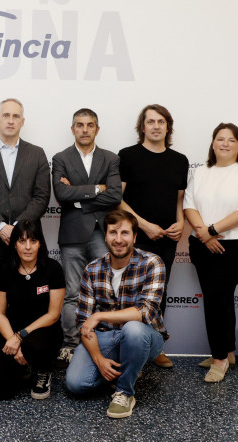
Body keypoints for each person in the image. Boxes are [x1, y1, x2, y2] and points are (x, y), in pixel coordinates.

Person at [0, 98, 50, 372]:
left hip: (26, 239)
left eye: (16, 116)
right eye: (5, 115)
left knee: (29, 294)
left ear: (22, 121)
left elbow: (42, 196)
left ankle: (26, 344)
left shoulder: (37, 153)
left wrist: (17, 229)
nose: (10, 120)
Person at [63, 210, 167, 418]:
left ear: (135, 237)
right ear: (105, 236)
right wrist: (99, 359)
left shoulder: (152, 263)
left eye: (125, 233)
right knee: (75, 384)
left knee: (133, 329)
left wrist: (100, 316)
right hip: (105, 337)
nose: (118, 240)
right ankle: (126, 367)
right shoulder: (92, 269)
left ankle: (124, 391)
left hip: (145, 335)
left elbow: (145, 312)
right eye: (113, 233)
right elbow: (85, 322)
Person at [184, 123, 238, 383]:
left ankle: (219, 359)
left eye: (231, 139)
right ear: (213, 143)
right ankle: (227, 352)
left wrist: (211, 230)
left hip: (237, 246)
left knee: (217, 295)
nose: (225, 143)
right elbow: (189, 205)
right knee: (216, 297)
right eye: (220, 139)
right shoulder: (202, 172)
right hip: (201, 244)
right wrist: (204, 234)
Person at [117, 104, 188, 369]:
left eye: (161, 122)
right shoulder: (127, 156)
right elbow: (118, 200)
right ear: (142, 127)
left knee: (159, 294)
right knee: (130, 294)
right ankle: (129, 347)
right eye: (150, 122)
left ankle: (155, 346)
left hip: (167, 240)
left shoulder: (179, 160)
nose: (156, 126)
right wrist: (144, 225)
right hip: (135, 238)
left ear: (167, 126)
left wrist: (181, 223)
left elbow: (179, 201)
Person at [51, 108, 122, 369]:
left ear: (96, 129)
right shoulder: (60, 158)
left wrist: (78, 198)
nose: (84, 129)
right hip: (71, 236)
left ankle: (105, 341)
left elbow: (114, 196)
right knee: (71, 294)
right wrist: (95, 189)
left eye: (89, 125)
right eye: (79, 125)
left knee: (106, 292)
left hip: (102, 234)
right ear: (72, 129)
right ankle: (70, 345)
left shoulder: (110, 158)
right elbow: (60, 193)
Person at [0, 220, 63, 401]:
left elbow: (53, 314)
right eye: (22, 241)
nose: (27, 247)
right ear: (14, 244)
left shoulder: (53, 269)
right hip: (12, 331)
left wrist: (20, 337)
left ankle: (43, 369)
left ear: (40, 243)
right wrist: (12, 339)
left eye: (33, 241)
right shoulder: (6, 270)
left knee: (37, 345)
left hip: (44, 331)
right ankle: (24, 365)